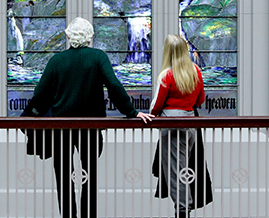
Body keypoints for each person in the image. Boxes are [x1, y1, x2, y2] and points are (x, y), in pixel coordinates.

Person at [23, 17, 153, 218]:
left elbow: (39, 95)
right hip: (91, 129)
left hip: (61, 131)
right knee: (89, 176)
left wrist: (29, 120)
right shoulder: (98, 57)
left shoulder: (56, 61)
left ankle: (68, 216)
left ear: (67, 36)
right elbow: (114, 86)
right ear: (91, 37)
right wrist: (132, 112)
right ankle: (87, 215)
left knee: (63, 178)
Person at [150, 35, 212, 218]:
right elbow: (200, 99)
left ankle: (183, 208)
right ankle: (185, 206)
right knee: (185, 168)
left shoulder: (167, 75)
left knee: (175, 170)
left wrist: (151, 117)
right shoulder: (195, 71)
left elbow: (156, 106)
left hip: (171, 125)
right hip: (190, 123)